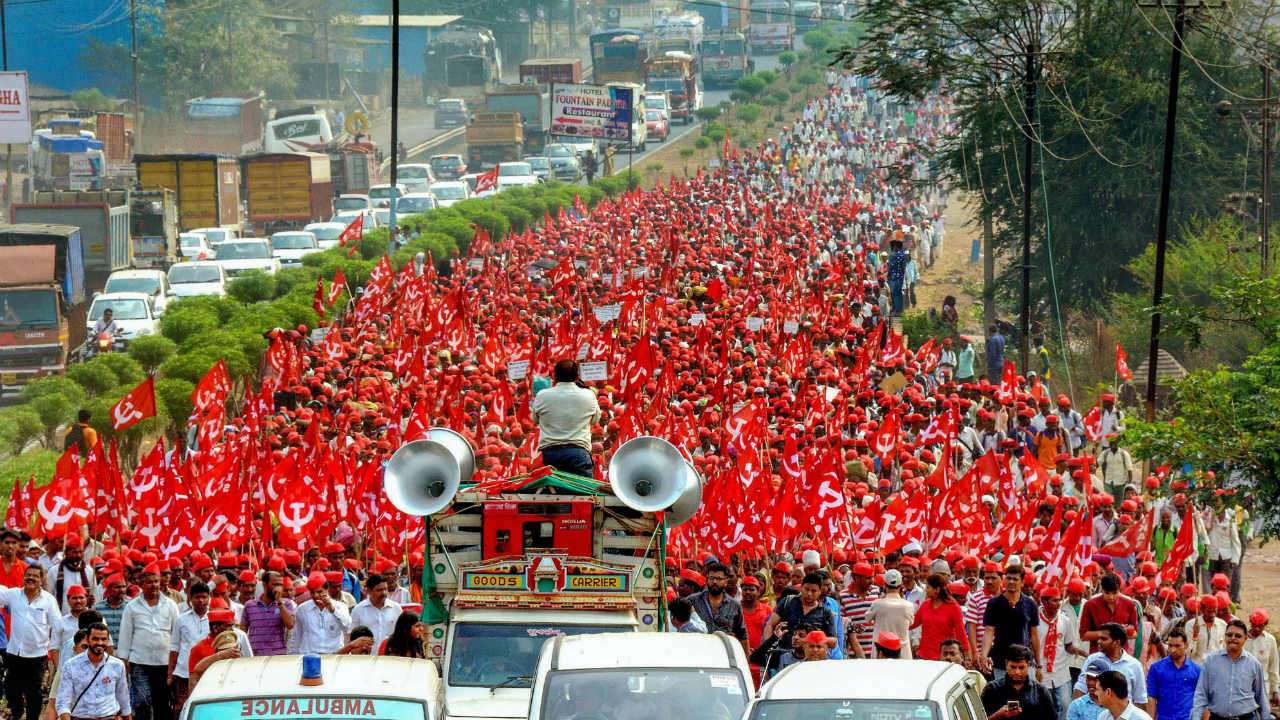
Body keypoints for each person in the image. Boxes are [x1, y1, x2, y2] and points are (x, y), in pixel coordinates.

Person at [118, 563, 179, 720]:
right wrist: (123, 661)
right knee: (141, 701)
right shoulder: (131, 607)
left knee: (163, 702)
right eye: (150, 582)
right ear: (141, 584)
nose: (154, 585)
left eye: (156, 581)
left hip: (164, 663)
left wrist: (175, 661)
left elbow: (177, 634)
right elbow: (125, 636)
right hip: (139, 662)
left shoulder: (171, 605)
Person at [2, 564, 61, 720]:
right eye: (28, 575)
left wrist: (54, 648)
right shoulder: (13, 595)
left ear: (41, 580)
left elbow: (58, 626)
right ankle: (17, 712)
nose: (31, 578)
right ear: (23, 577)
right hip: (14, 652)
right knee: (11, 688)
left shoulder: (49, 600)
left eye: (35, 576)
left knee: (33, 692)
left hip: (37, 656)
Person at [532, 359, 601, 478]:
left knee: (553, 493)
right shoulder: (588, 395)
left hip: (551, 454)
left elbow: (535, 420)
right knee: (583, 494)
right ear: (577, 376)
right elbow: (595, 420)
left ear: (554, 376)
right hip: (578, 453)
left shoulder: (542, 395)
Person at [1191, 619, 1271, 720]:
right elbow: (1201, 694)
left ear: (1245, 638)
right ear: (1225, 636)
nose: (1233, 638)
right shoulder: (1211, 661)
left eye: (1238, 636)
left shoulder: (1254, 664)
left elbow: (1262, 698)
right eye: (1229, 635)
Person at [56, 623, 131, 720]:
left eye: (104, 639)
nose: (100, 643)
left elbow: (123, 699)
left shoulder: (118, 665)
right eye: (95, 639)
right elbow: (63, 703)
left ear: (108, 641)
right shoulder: (71, 665)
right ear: (87, 639)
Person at [982, 564, 1041, 679]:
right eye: (1008, 578)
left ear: (1022, 582)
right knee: (1003, 696)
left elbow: (1034, 635)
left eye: (1015, 579)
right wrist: (984, 655)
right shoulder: (994, 603)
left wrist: (1039, 665)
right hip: (1001, 662)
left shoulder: (1030, 604)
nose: (1011, 582)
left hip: (1024, 662)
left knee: (1027, 697)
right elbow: (989, 631)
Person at [1036, 586, 1086, 720]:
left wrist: (1080, 652)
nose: (1058, 604)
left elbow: (1068, 645)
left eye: (1059, 600)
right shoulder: (1034, 620)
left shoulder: (1065, 620)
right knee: (1043, 707)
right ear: (1044, 602)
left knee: (1065, 705)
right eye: (1054, 601)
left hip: (1060, 672)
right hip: (1040, 672)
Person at [1073, 624, 1147, 706]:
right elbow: (1080, 688)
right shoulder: (1092, 659)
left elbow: (1140, 700)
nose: (1098, 641)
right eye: (1099, 638)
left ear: (1117, 642)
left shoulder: (1134, 665)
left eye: (1103, 639)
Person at [981, 644, 1057, 720]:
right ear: (1006, 664)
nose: (1017, 672)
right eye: (1013, 667)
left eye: (1021, 667)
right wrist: (998, 715)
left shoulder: (1041, 692)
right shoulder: (991, 689)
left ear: (1028, 665)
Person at [690, 562, 749, 651]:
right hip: (697, 651)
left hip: (724, 654)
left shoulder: (734, 605)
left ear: (726, 581)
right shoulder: (692, 601)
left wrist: (745, 661)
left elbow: (742, 635)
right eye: (711, 578)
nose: (714, 582)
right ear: (706, 580)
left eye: (719, 579)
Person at [288, 574, 351, 654]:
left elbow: (348, 627)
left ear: (327, 589)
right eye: (312, 592)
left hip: (333, 655)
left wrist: (333, 610)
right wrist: (293, 656)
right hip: (309, 656)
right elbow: (296, 636)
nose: (316, 595)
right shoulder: (302, 609)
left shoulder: (340, 607)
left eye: (319, 592)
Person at [1147, 628, 1201, 720]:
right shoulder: (1156, 668)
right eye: (1170, 645)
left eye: (1177, 646)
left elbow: (1200, 700)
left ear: (1186, 645)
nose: (1172, 650)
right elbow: (1151, 698)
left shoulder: (1196, 670)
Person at [913, 572, 968, 662]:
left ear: (937, 589)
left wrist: (966, 654)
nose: (926, 590)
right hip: (924, 656)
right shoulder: (926, 604)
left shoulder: (953, 607)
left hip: (944, 657)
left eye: (928, 587)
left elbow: (960, 632)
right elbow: (914, 623)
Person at [1079, 575, 1139, 654]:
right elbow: (1083, 636)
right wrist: (1103, 633)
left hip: (1120, 656)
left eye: (1115, 593)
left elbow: (1135, 633)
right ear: (1102, 590)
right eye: (1107, 593)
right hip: (1098, 655)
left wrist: (1123, 632)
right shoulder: (1090, 605)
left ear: (1119, 590)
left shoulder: (1129, 604)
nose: (1111, 597)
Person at [240, 570, 294, 656]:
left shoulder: (286, 603)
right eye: (275, 584)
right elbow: (242, 632)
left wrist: (279, 602)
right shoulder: (249, 605)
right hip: (256, 656)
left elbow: (290, 624)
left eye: (280, 585)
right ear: (264, 584)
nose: (278, 588)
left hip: (278, 655)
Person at [867, 569, 916, 659]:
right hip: (902, 652)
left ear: (885, 585)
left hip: (881, 653)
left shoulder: (877, 604)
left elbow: (867, 619)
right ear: (900, 586)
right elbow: (911, 623)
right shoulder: (908, 606)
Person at [187, 609, 240, 691]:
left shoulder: (234, 644)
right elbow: (193, 679)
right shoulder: (198, 649)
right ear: (215, 628)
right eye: (228, 626)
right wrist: (220, 656)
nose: (232, 630)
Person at [350, 572, 402, 650]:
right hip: (367, 657)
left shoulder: (396, 608)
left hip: (390, 657)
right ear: (369, 591)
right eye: (379, 590)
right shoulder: (358, 610)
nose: (384, 593)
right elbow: (352, 636)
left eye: (385, 589)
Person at [47, 533, 94, 613]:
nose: (78, 555)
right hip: (61, 616)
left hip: (84, 617)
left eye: (80, 552)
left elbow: (93, 594)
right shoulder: (54, 571)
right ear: (66, 553)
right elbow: (49, 596)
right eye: (75, 552)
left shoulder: (89, 571)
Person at [1244, 609, 1279, 705]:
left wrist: (1275, 690)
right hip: (1244, 688)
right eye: (1254, 625)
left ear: (1265, 624)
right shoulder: (1242, 638)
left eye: (1260, 626)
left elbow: (1273, 667)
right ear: (1250, 623)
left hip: (1264, 688)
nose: (1257, 629)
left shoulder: (1270, 640)